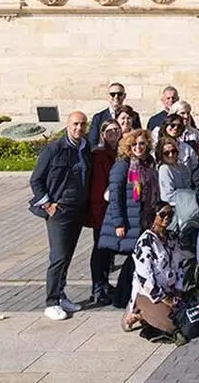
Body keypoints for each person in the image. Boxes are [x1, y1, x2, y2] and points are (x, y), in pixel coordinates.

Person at [32, 110, 92, 321]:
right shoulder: (54, 149)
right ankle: (51, 302)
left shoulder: (85, 148)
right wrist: (48, 204)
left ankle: (61, 294)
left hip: (78, 210)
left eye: (83, 125)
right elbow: (36, 180)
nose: (79, 128)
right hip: (60, 211)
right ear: (68, 125)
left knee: (67, 256)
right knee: (58, 257)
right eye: (75, 124)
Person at [98, 130, 159, 316]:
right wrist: (119, 223)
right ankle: (121, 297)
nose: (139, 148)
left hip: (143, 218)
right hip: (129, 219)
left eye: (142, 144)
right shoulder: (122, 165)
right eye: (134, 145)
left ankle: (129, 295)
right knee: (133, 258)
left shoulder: (148, 163)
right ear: (128, 147)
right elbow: (115, 196)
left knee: (138, 258)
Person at [129, 200, 186, 345]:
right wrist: (165, 298)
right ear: (154, 216)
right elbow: (145, 279)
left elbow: (180, 266)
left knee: (187, 315)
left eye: (170, 214)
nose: (167, 217)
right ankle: (140, 314)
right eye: (162, 214)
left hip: (171, 290)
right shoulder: (145, 242)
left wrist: (178, 290)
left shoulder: (173, 237)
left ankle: (149, 315)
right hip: (149, 294)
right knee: (174, 325)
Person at [86, 120, 120, 306]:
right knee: (100, 249)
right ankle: (97, 289)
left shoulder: (120, 153)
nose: (114, 133)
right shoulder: (99, 155)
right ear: (102, 133)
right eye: (109, 130)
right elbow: (99, 187)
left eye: (116, 130)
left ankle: (105, 283)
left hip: (114, 208)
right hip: (102, 209)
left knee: (108, 250)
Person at [90, 84, 141, 148]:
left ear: (124, 96)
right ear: (108, 96)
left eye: (119, 94)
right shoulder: (98, 118)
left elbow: (139, 137)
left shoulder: (134, 115)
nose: (116, 96)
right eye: (112, 94)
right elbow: (93, 143)